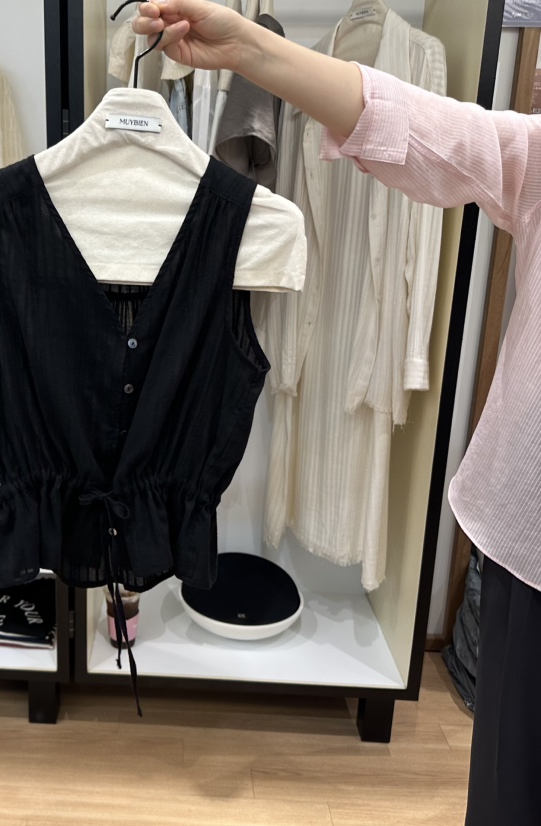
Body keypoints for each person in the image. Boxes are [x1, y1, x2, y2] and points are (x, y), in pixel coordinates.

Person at [134, 2, 541, 825]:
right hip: (531, 536)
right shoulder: (535, 157)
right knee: (511, 788)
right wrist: (250, 47)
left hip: (376, 345)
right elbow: (407, 122)